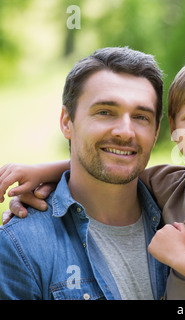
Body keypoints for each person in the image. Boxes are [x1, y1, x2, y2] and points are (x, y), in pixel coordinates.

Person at [0, 52, 185, 300]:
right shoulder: (172, 183)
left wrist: (178, 256)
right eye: (105, 111)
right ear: (173, 127)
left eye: (140, 117)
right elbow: (113, 163)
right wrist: (43, 172)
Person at [0, 47, 168, 299]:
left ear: (155, 132)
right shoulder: (21, 247)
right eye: (105, 112)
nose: (125, 132)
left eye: (141, 116)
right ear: (67, 122)